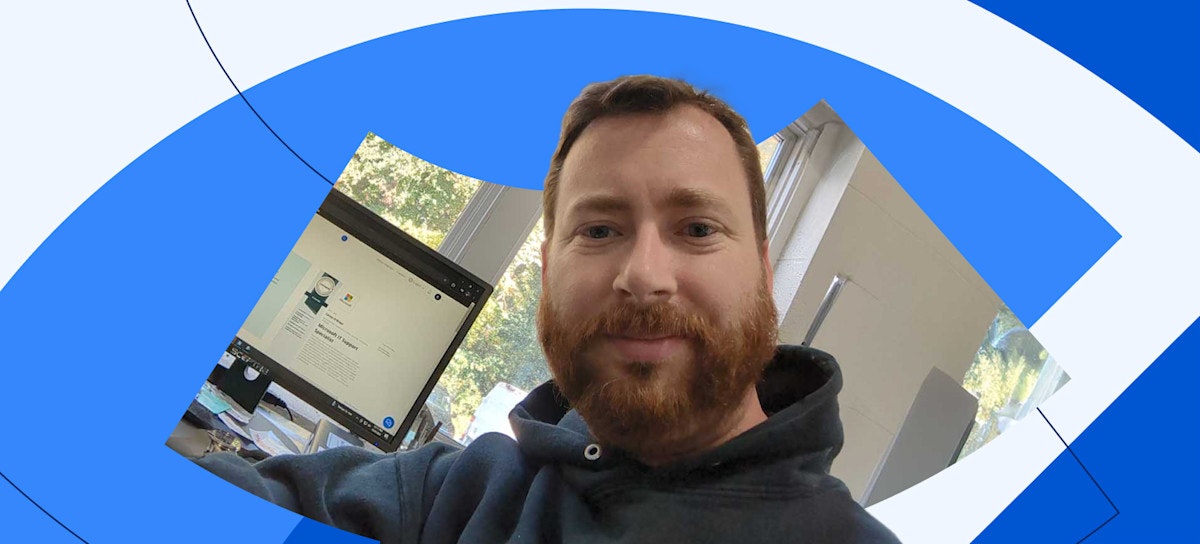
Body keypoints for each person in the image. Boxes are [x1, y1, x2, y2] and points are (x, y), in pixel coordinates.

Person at [197, 75, 901, 543]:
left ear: (764, 270)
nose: (644, 276)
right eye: (599, 230)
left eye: (696, 229)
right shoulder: (453, 498)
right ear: (547, 271)